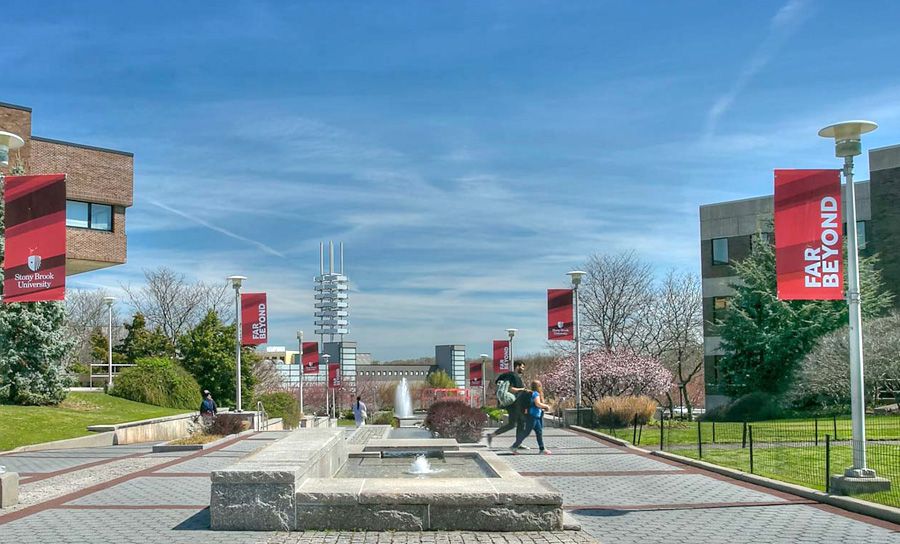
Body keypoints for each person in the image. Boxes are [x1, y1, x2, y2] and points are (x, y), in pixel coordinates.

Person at [486, 361, 531, 448]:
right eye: (522, 367)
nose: (523, 369)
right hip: (514, 403)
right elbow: (510, 389)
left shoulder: (511, 376)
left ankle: (517, 442)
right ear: (517, 366)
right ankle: (492, 435)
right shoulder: (513, 376)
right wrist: (523, 389)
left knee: (520, 422)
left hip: (514, 403)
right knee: (514, 424)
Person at [511, 380, 552, 455]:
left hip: (534, 416)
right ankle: (514, 446)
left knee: (539, 432)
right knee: (526, 432)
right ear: (539, 386)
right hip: (533, 416)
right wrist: (546, 406)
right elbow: (538, 404)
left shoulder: (530, 393)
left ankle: (542, 448)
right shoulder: (535, 394)